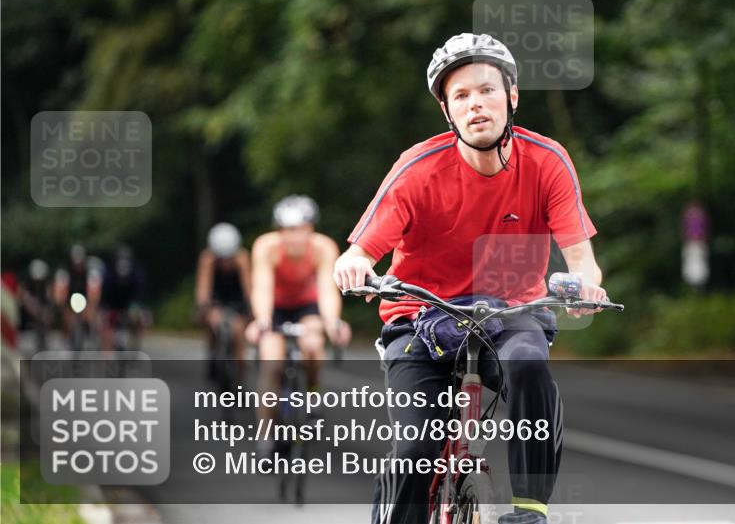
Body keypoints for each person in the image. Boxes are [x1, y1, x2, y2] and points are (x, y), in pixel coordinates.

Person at [334, 33, 609, 524]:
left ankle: (528, 510)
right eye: (460, 96)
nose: (475, 104)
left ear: (513, 96)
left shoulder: (547, 161)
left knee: (528, 364)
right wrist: (354, 265)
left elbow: (581, 259)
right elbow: (361, 250)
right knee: (416, 446)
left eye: (487, 90)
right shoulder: (417, 169)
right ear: (447, 110)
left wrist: (585, 285)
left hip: (511, 312)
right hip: (420, 317)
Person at [245, 195, 350, 446]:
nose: (294, 237)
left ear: (310, 229)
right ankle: (266, 434)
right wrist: (261, 320)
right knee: (271, 363)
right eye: (287, 230)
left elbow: (327, 289)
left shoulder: (323, 247)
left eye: (300, 230)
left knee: (312, 345)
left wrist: (333, 321)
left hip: (307, 306)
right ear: (279, 230)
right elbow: (261, 286)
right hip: (275, 306)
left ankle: (313, 392)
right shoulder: (266, 246)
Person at [196, 222, 252, 379]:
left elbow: (248, 287)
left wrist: (251, 307)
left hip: (237, 297)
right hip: (217, 298)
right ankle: (213, 353)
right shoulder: (208, 259)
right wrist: (203, 305)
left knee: (239, 334)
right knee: (213, 321)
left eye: (229, 257)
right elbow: (203, 286)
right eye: (222, 258)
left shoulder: (242, 258)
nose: (226, 262)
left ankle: (240, 378)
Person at [99, 245, 149, 351]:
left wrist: (137, 307)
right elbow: (104, 293)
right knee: (105, 323)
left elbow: (141, 292)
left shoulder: (137, 273)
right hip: (113, 303)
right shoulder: (109, 274)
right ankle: (107, 357)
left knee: (139, 318)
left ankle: (135, 343)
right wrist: (104, 309)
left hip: (131, 302)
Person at [53, 244, 102, 350]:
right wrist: (61, 304)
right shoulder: (64, 270)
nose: (78, 265)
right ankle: (65, 338)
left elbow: (94, 291)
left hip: (85, 297)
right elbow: (60, 290)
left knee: (92, 316)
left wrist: (92, 304)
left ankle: (93, 337)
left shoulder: (91, 271)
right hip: (70, 297)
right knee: (67, 317)